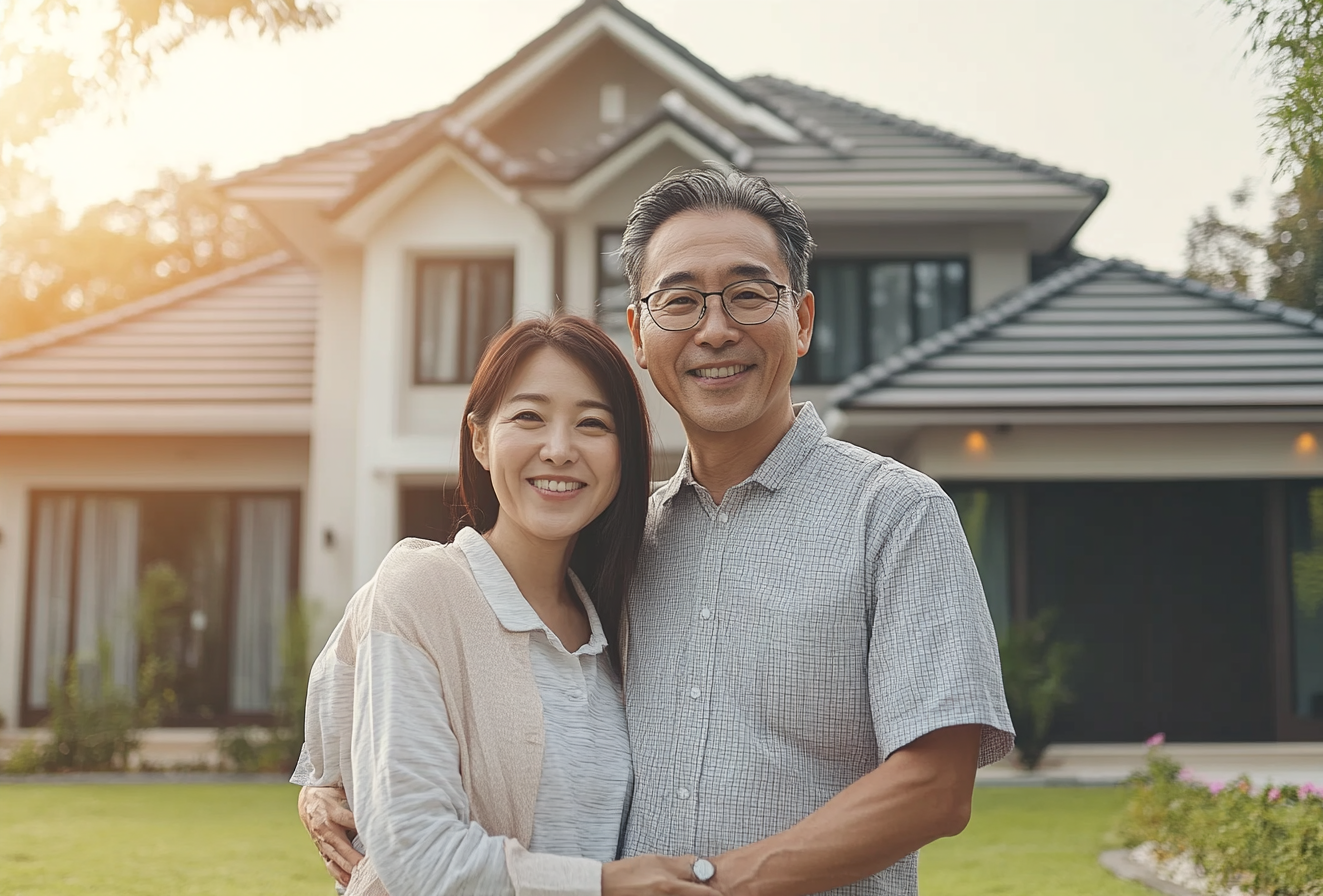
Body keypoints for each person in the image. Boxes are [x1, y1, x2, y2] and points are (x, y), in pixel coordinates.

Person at [302, 168, 1014, 896]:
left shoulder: (893, 514)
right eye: (680, 301)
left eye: (747, 294)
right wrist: (328, 777)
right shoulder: (617, 534)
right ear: (641, 335)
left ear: (800, 321)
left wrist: (711, 884)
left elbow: (936, 783)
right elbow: (384, 628)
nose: (714, 329)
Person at [295, 315, 717, 896]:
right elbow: (414, 851)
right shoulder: (422, 589)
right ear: (479, 439)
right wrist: (607, 884)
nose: (560, 449)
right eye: (529, 417)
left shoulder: (614, 616)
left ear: (624, 455)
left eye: (593, 424)